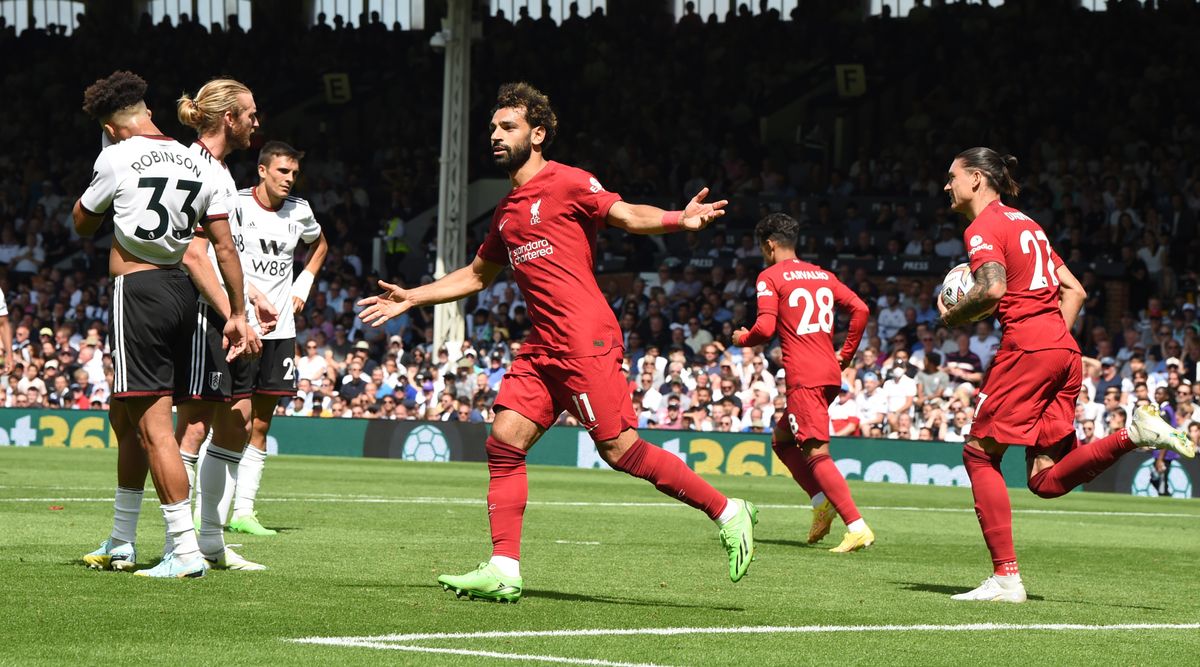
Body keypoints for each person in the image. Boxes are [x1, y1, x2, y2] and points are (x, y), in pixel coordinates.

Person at [358, 82, 757, 602]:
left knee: (620, 451)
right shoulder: (505, 211)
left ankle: (728, 511)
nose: (496, 137)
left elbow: (625, 214)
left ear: (538, 133)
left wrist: (680, 219)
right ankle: (504, 568)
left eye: (508, 128)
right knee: (504, 441)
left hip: (585, 339)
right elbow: (477, 276)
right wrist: (413, 297)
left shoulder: (568, 181)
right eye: (493, 129)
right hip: (543, 346)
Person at [937, 147, 1193, 603]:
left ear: (976, 178)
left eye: (952, 177)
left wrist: (953, 316)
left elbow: (993, 288)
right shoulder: (1029, 224)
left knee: (979, 455)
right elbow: (1075, 289)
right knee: (1043, 479)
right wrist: (1052, 338)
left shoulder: (983, 227)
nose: (946, 185)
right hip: (1063, 348)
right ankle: (1133, 435)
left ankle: (1006, 579)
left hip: (1029, 347)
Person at [74, 71, 250, 578]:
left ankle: (184, 550)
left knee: (155, 430)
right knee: (125, 417)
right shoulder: (198, 162)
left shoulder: (115, 155)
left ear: (111, 126)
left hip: (138, 291)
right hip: (180, 292)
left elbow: (83, 222)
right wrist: (236, 313)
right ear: (147, 110)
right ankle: (122, 540)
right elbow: (222, 247)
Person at [174, 77, 271, 571]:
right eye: (251, 113)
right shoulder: (195, 166)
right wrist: (234, 315)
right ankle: (180, 543)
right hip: (198, 313)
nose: (258, 121)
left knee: (237, 419)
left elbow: (224, 251)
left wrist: (250, 298)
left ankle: (210, 542)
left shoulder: (221, 171)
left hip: (227, 313)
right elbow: (194, 253)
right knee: (193, 427)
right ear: (228, 118)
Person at [732, 213, 873, 552]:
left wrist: (741, 339)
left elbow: (765, 329)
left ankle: (856, 526)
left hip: (805, 376)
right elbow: (861, 309)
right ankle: (821, 501)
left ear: (769, 244)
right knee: (782, 440)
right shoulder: (822, 275)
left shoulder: (770, 277)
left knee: (815, 453)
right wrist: (848, 353)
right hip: (828, 372)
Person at [220, 140, 327, 535]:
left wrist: (304, 282)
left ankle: (244, 512)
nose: (290, 179)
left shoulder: (300, 211)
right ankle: (207, 508)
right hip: (239, 323)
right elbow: (218, 253)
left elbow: (320, 243)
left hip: (281, 330)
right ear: (263, 171)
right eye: (283, 171)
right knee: (230, 418)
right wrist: (247, 293)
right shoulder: (236, 204)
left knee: (261, 424)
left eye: (295, 173)